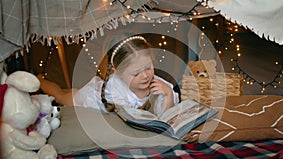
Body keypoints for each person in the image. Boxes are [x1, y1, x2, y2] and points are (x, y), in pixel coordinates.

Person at [37, 35, 179, 114]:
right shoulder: (115, 88)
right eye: (136, 73)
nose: (145, 76)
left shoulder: (160, 85)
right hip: (93, 97)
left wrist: (169, 95)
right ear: (118, 74)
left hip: (103, 92)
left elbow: (166, 118)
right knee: (61, 95)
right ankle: (38, 79)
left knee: (70, 90)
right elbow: (131, 118)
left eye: (148, 67)